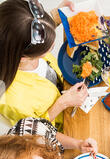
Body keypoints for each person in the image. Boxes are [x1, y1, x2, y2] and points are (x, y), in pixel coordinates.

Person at [0, 0, 88, 130]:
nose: (52, 47)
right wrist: (62, 103)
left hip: (68, 91)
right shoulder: (13, 101)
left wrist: (53, 17)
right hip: (61, 129)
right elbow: (33, 131)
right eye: (49, 48)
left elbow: (28, 31)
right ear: (23, 58)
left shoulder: (19, 44)